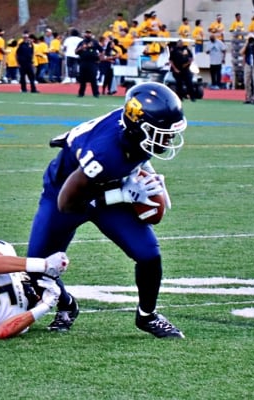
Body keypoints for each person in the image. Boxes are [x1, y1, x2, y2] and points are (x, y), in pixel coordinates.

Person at [25, 82, 186, 339]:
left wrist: (150, 178)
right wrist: (122, 195)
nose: (167, 139)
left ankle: (147, 315)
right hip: (65, 194)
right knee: (36, 270)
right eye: (162, 132)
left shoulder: (132, 130)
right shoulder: (105, 154)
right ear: (140, 127)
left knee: (148, 255)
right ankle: (67, 304)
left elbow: (119, 145)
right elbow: (67, 203)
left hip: (109, 186)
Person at [75, 29, 103, 97]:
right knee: (82, 79)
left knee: (93, 78)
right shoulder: (81, 42)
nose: (88, 34)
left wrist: (100, 58)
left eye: (89, 33)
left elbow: (101, 50)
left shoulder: (95, 42)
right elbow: (76, 51)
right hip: (83, 62)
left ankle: (96, 93)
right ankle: (81, 93)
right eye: (87, 33)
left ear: (91, 34)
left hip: (92, 62)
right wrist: (82, 48)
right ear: (84, 34)